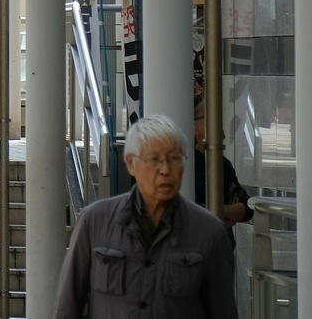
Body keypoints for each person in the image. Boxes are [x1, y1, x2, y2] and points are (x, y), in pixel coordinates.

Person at [55, 114, 237, 318]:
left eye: (175, 159)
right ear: (131, 163)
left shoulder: (209, 231)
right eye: (154, 160)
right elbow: (68, 306)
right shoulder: (94, 221)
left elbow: (223, 311)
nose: (166, 170)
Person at [191, 102, 252, 224]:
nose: (219, 128)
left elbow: (246, 207)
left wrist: (217, 211)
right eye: (209, 119)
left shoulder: (223, 164)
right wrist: (225, 213)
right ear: (194, 127)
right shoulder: (188, 163)